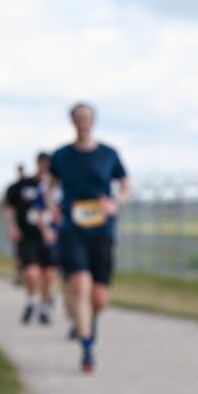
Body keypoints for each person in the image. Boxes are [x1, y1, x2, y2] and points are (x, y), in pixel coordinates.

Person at [50, 102, 130, 373]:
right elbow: (50, 188)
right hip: (73, 229)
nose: (83, 122)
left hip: (102, 230)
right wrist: (53, 210)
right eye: (78, 118)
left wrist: (115, 203)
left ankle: (88, 322)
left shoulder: (108, 154)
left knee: (99, 296)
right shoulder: (61, 155)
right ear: (73, 122)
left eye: (87, 118)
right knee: (81, 284)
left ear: (93, 121)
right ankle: (87, 348)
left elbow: (125, 185)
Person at [4, 153, 60, 325]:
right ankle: (30, 301)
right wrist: (12, 226)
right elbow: (9, 206)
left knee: (49, 275)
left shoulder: (57, 186)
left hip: (51, 236)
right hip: (28, 236)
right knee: (31, 273)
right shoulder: (23, 185)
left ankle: (44, 306)